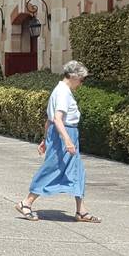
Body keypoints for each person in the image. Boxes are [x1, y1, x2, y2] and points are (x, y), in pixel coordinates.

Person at [15, 60, 102, 223]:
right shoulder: (63, 92)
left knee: (77, 171)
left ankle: (81, 210)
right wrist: (67, 140)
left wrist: (45, 139)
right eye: (81, 79)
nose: (81, 83)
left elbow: (50, 119)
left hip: (62, 134)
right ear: (74, 76)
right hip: (65, 133)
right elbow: (57, 118)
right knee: (53, 168)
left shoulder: (60, 90)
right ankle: (26, 202)